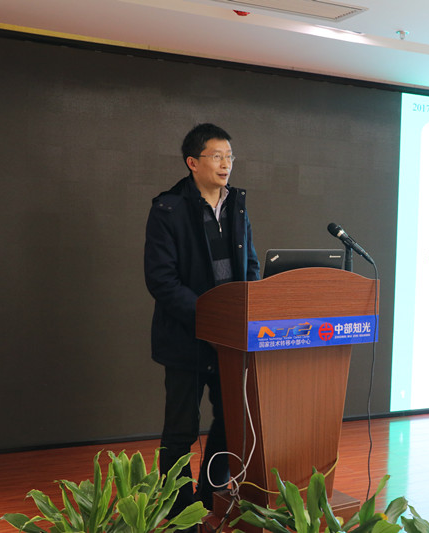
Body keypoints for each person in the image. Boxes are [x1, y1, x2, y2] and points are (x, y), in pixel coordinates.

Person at [144, 123, 261, 518]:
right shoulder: (168, 209)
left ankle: (212, 498)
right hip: (186, 337)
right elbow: (161, 280)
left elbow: (250, 266)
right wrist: (211, 319)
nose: (226, 164)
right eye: (216, 156)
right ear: (193, 162)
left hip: (230, 340)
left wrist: (250, 308)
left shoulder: (237, 204)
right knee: (180, 430)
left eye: (229, 156)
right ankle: (179, 510)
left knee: (231, 421)